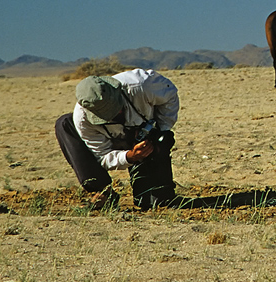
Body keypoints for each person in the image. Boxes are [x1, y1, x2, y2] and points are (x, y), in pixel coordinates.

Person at [55, 68, 182, 210]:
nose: (112, 116)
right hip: (114, 142)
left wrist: (159, 130)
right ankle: (103, 191)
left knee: (154, 202)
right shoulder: (82, 118)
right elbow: (102, 156)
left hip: (145, 138)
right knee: (64, 123)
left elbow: (170, 95)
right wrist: (130, 156)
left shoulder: (141, 84)